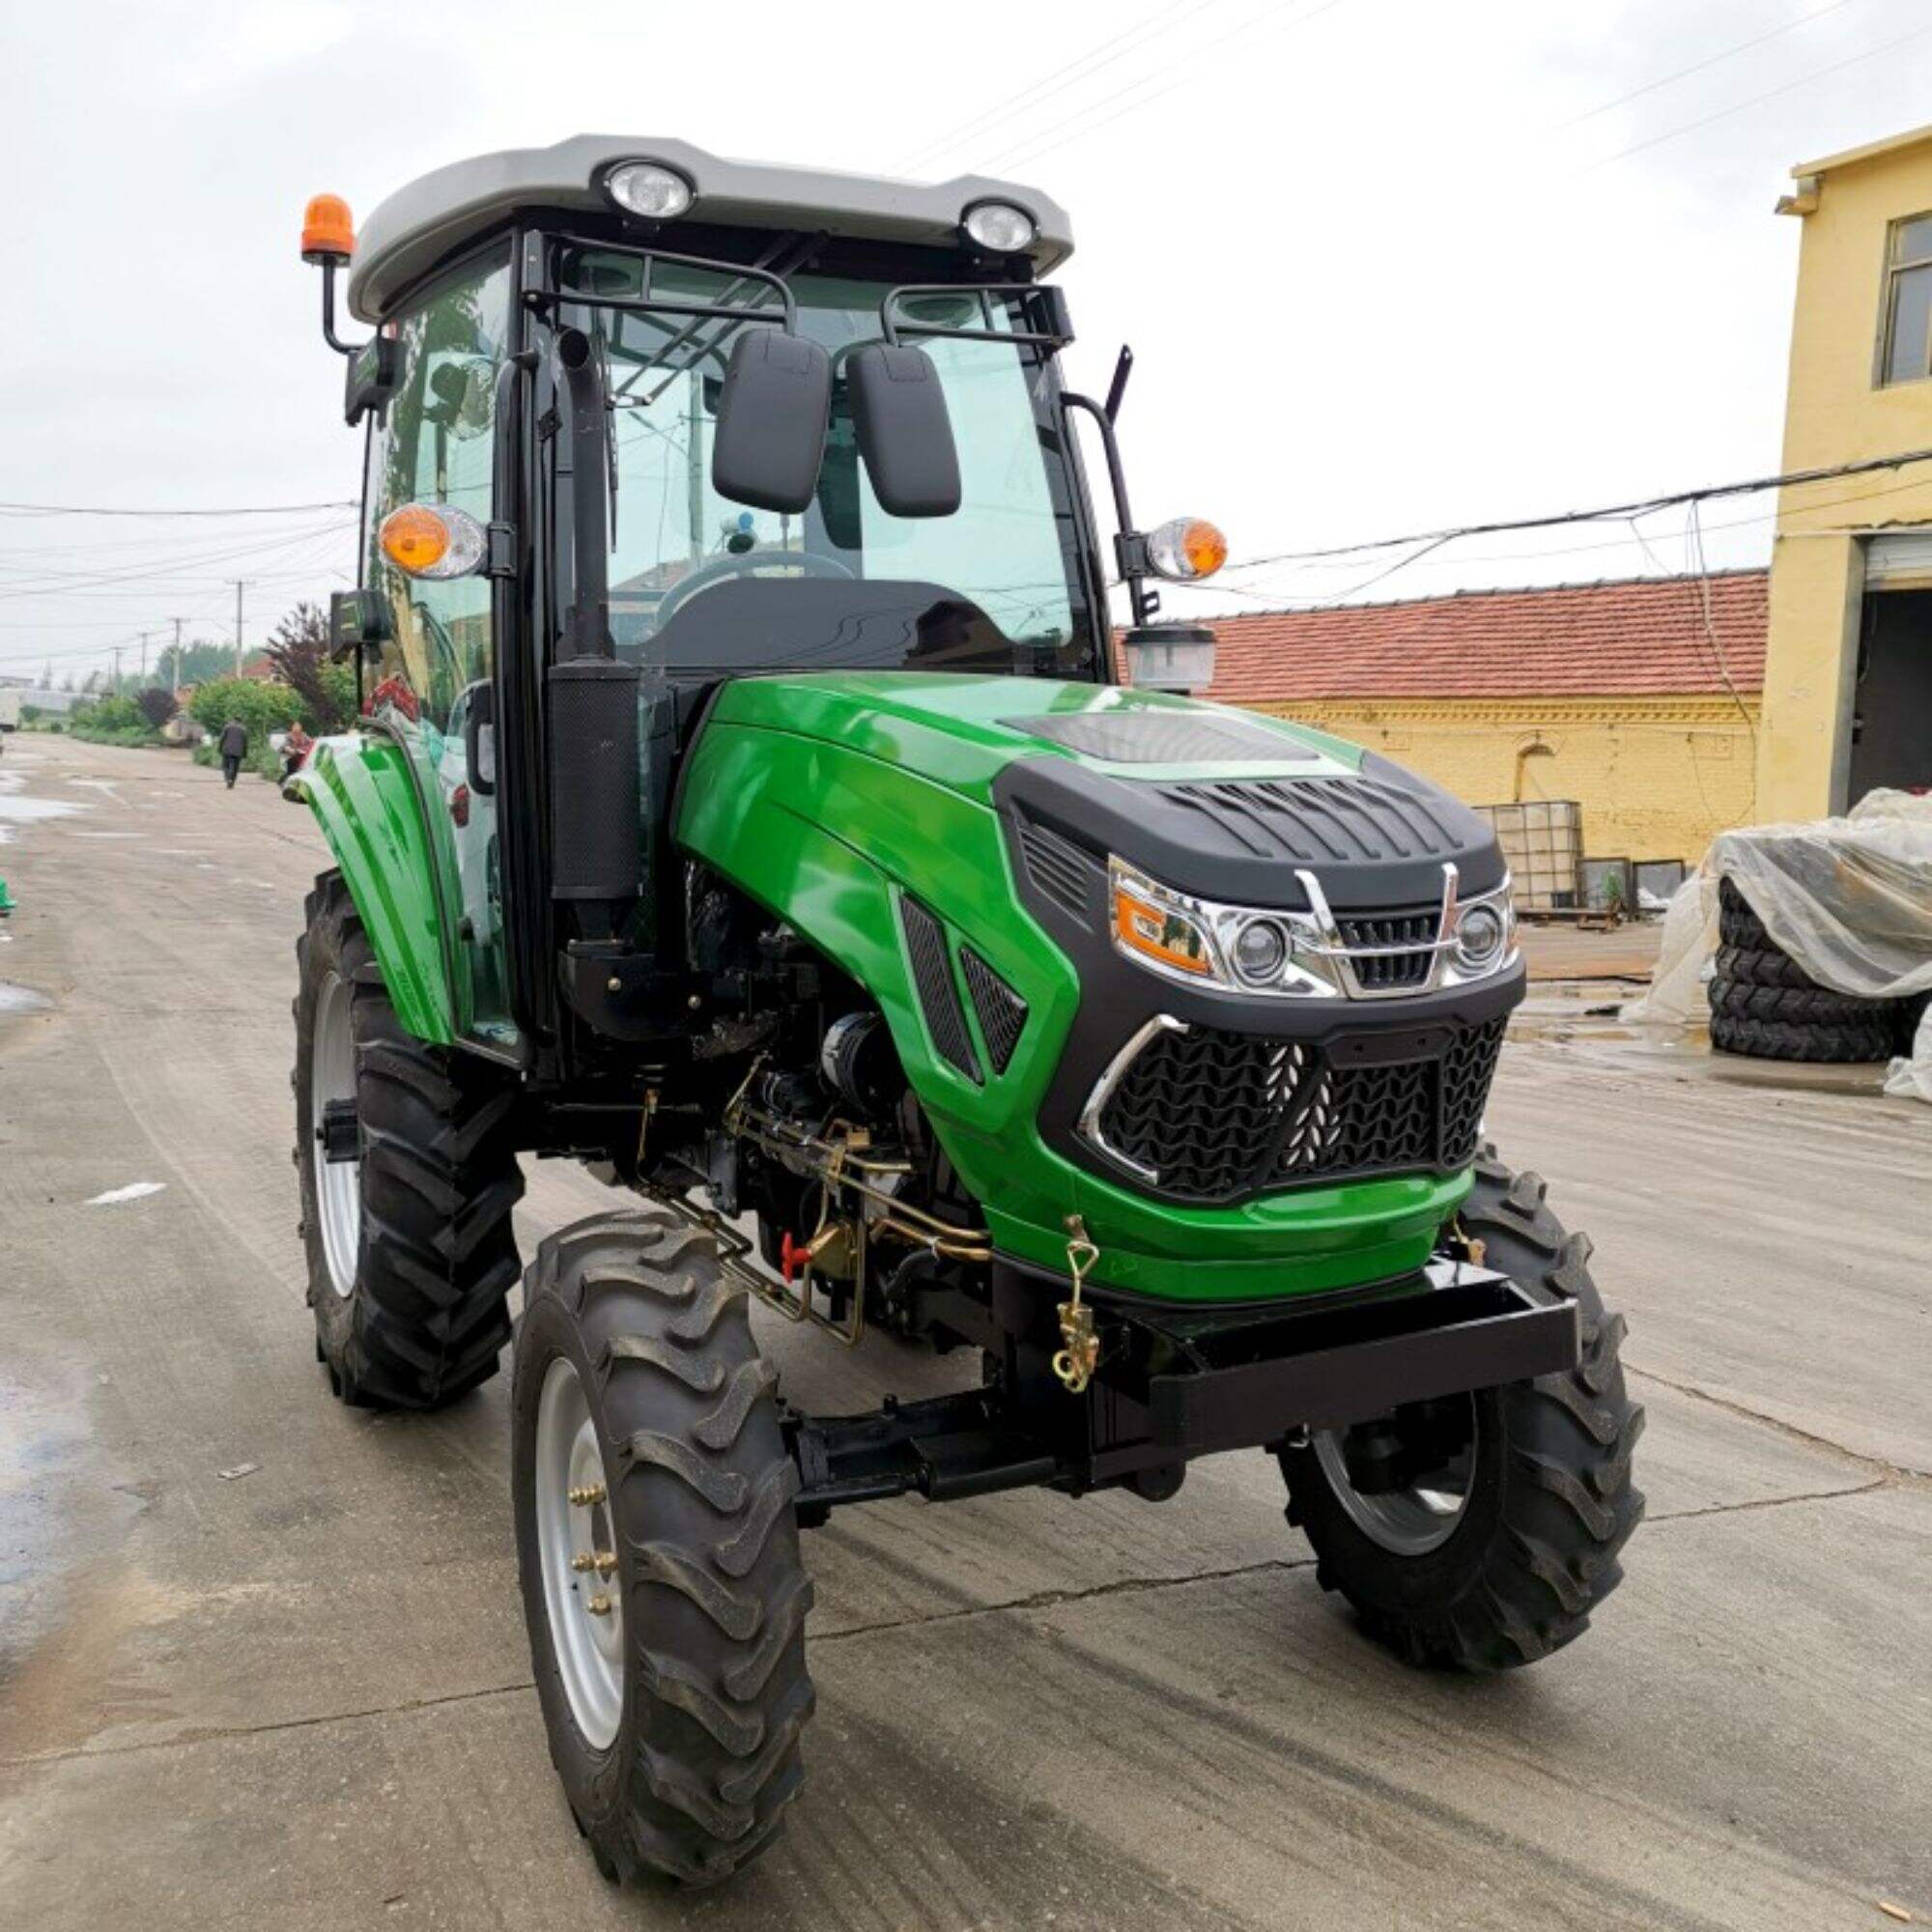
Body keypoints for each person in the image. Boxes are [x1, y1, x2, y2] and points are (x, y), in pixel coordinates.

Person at [218, 717, 248, 788]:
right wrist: (245, 753)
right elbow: (245, 742)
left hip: (227, 750)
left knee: (225, 766)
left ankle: (228, 778)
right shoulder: (243, 729)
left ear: (233, 720)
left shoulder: (227, 727)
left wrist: (220, 748)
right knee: (236, 768)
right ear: (240, 722)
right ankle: (232, 781)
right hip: (238, 751)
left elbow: (222, 738)